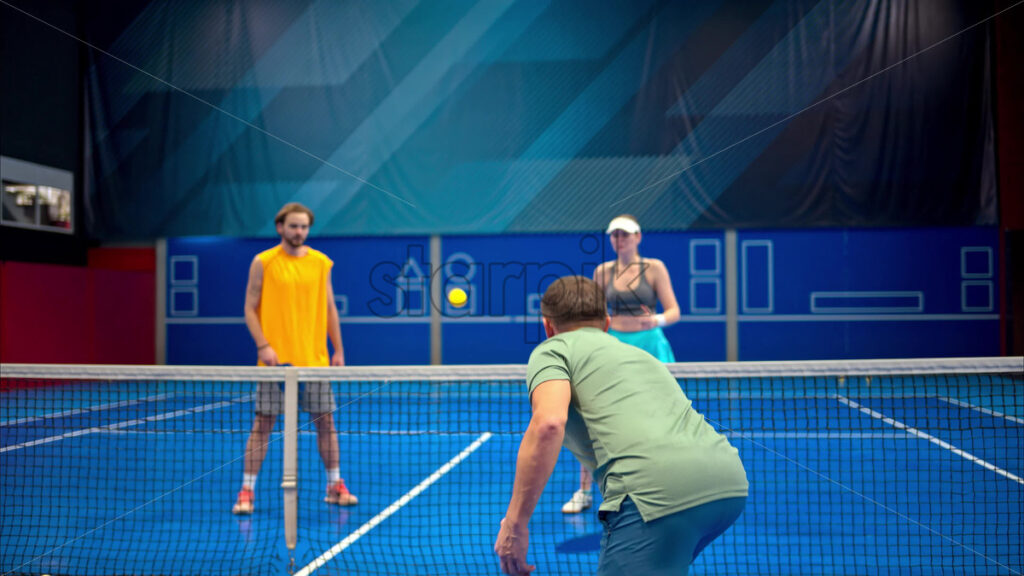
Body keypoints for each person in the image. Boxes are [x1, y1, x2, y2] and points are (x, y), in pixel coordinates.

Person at [495, 276, 746, 576]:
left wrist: (515, 523)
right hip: (728, 484)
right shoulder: (642, 356)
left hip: (655, 496)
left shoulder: (552, 350)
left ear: (548, 326)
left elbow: (548, 423)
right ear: (606, 322)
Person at [232, 202, 357, 515]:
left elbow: (329, 308)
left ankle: (334, 485)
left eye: (304, 226)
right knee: (263, 424)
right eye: (293, 226)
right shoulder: (263, 262)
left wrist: (338, 349)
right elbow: (249, 307)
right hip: (274, 363)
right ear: (280, 227)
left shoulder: (321, 263)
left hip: (314, 361)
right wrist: (263, 345)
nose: (299, 231)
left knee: (325, 423)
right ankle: (246, 491)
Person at [562, 214, 681, 514]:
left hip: (650, 346)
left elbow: (674, 311)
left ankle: (661, 486)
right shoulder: (602, 271)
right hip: (614, 344)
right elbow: (595, 313)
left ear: (638, 237)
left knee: (656, 418)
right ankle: (585, 491)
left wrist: (655, 319)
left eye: (626, 234)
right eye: (615, 235)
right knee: (593, 415)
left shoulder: (654, 268)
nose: (620, 239)